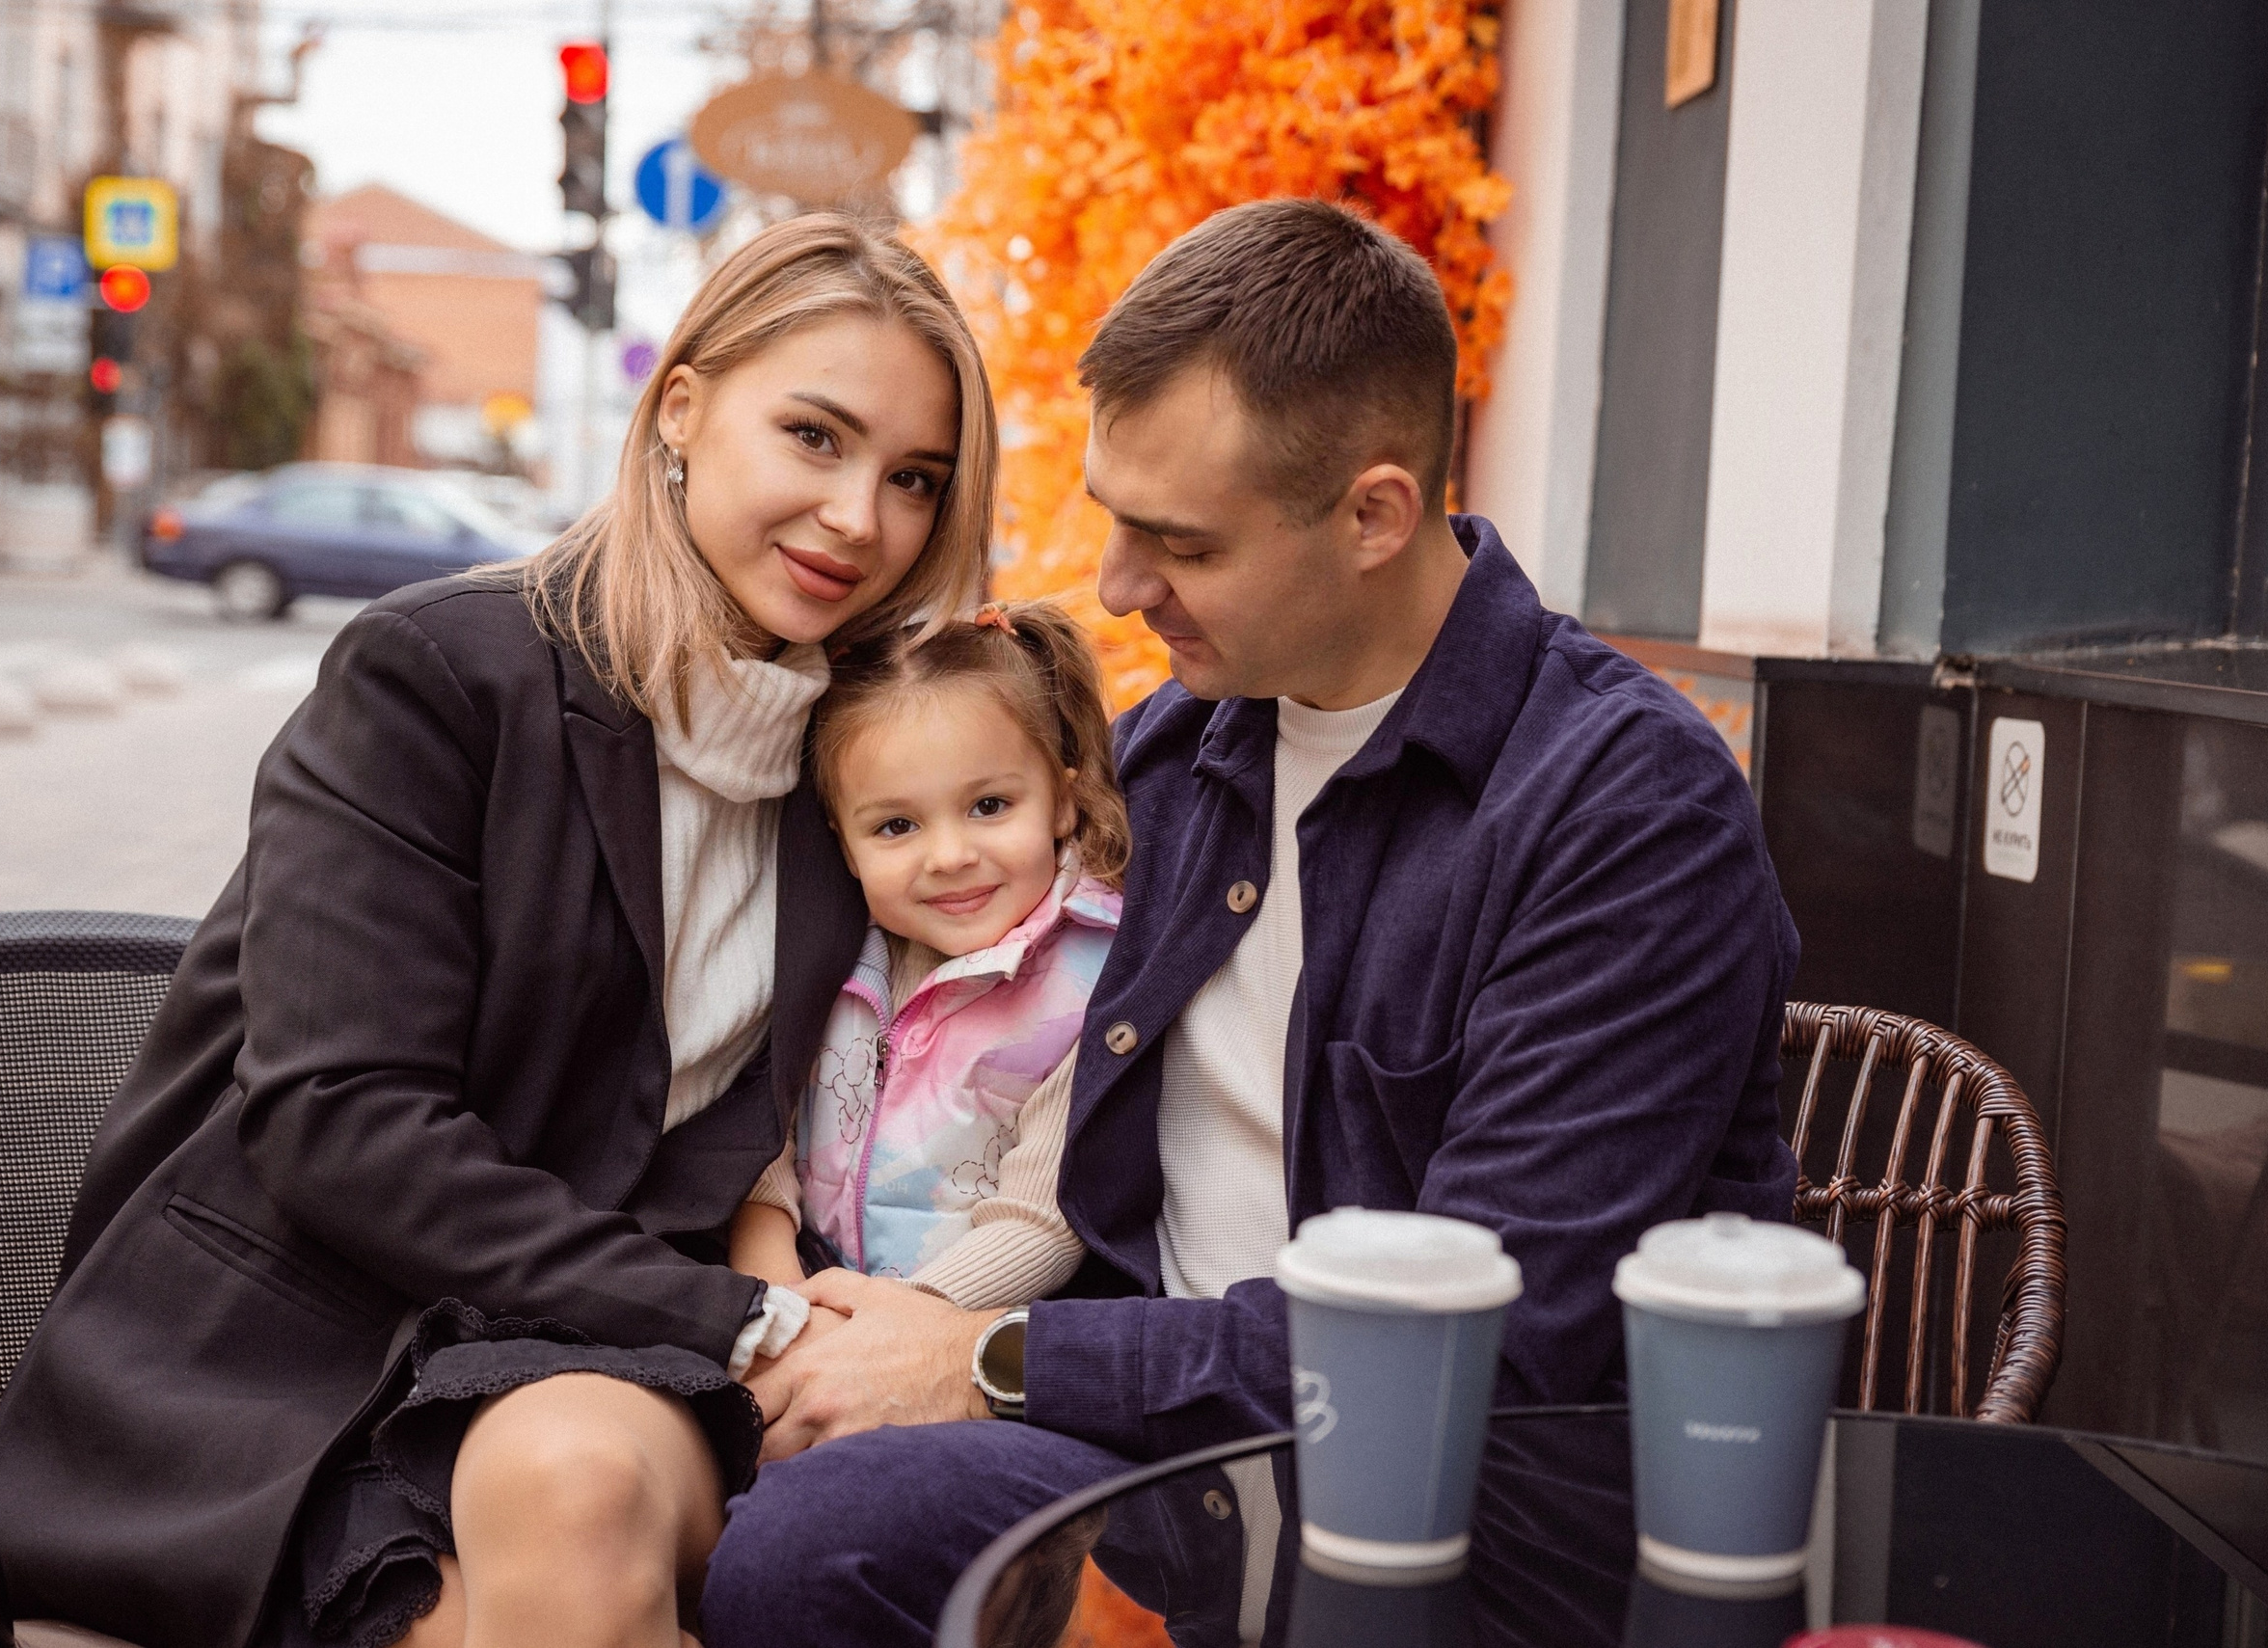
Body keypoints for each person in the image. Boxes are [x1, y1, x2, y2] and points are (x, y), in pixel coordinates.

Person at [701, 198, 1800, 1648]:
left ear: (1373, 516)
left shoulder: (1621, 808)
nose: (1117, 589)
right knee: (785, 1530)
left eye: (1180, 544)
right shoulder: (1166, 760)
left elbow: (1492, 1334)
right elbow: (921, 1008)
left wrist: (990, 1356)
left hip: (1461, 1509)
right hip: (1160, 1471)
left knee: (813, 1540)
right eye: (1114, 519)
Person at [0, 212, 998, 1648]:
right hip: (299, 1365)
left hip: (597, 1365)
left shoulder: (873, 765)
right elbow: (341, 1121)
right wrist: (732, 1316)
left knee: (580, 1487)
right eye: (814, 437)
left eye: (913, 479)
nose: (857, 518)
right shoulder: (443, 675)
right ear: (682, 410)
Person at [726, 599, 1127, 1310]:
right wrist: (775, 1289)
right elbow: (764, 1132)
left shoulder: (1093, 985)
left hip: (967, 1328)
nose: (949, 856)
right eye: (896, 825)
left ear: (1063, 802)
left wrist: (892, 1327)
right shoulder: (829, 951)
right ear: (844, 842)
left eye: (989, 806)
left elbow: (1043, 1223)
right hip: (805, 1298)